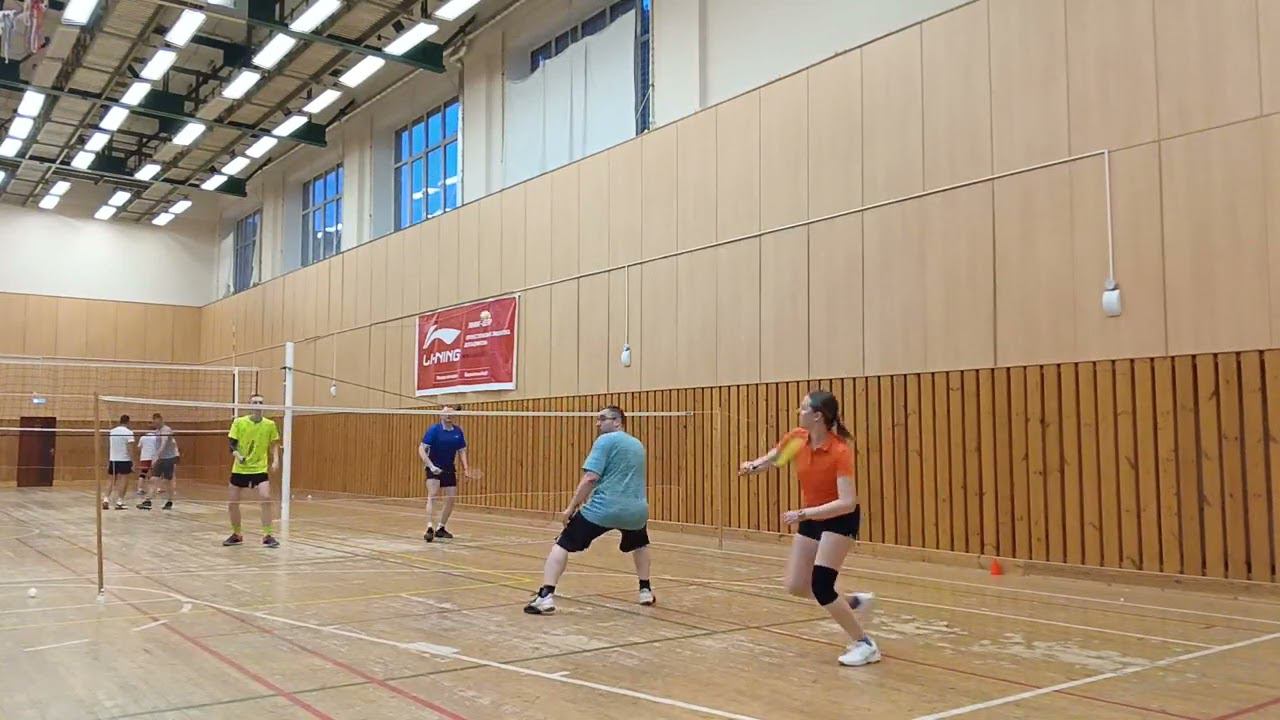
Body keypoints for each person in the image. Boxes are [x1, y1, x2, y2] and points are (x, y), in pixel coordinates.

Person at [739, 389, 881, 667]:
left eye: (803, 408)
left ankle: (865, 644)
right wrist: (753, 466)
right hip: (811, 515)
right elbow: (777, 458)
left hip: (839, 519)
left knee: (821, 585)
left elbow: (847, 502)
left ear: (817, 416)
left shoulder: (839, 452)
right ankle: (851, 603)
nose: (798, 412)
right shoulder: (797, 438)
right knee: (796, 585)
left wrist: (803, 514)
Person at [525, 405, 654, 615]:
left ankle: (545, 596)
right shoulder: (637, 444)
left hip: (604, 509)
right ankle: (645, 590)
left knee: (562, 544)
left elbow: (591, 478)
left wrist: (570, 508)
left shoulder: (605, 441)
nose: (597, 423)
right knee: (640, 544)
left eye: (602, 418)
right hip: (636, 511)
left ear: (617, 421)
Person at [223, 394, 282, 548]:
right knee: (232, 503)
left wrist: (275, 460)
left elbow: (274, 444)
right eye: (255, 402)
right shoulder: (239, 422)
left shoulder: (269, 424)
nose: (258, 405)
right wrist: (238, 455)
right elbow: (232, 444)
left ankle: (268, 535)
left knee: (266, 498)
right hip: (240, 469)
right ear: (249, 405)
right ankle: (236, 534)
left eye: (260, 403)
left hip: (259, 468)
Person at [418, 405, 470, 542]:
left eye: (451, 413)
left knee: (451, 498)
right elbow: (422, 449)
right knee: (433, 495)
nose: (448, 415)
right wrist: (431, 466)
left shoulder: (458, 431)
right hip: (433, 467)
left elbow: (462, 451)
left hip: (449, 468)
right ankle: (430, 528)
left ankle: (441, 528)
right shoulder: (434, 430)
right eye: (446, 413)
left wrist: (466, 468)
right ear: (440, 415)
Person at [146, 413, 181, 511]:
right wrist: (155, 456)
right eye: (154, 423)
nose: (155, 424)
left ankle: (169, 501)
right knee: (153, 478)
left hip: (169, 458)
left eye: (157, 422)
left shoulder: (166, 430)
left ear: (161, 420)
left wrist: (156, 456)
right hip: (161, 458)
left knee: (167, 481)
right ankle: (148, 501)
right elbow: (158, 445)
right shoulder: (157, 431)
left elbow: (164, 444)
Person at [104, 415, 134, 510]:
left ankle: (106, 499)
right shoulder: (129, 432)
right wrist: (133, 461)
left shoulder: (112, 431)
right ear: (128, 422)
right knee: (123, 480)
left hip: (113, 459)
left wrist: (108, 459)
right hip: (124, 459)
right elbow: (130, 448)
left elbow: (110, 446)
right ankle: (120, 501)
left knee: (110, 480)